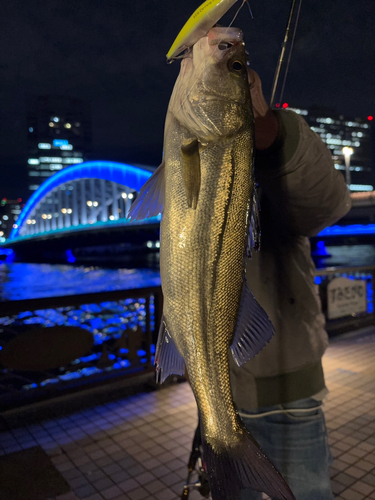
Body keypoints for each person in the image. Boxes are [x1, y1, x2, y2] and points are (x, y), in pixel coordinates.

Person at [229, 69, 352, 500]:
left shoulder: (276, 158)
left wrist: (270, 131)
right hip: (221, 393)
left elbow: (330, 203)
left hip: (289, 394)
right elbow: (180, 273)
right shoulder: (181, 166)